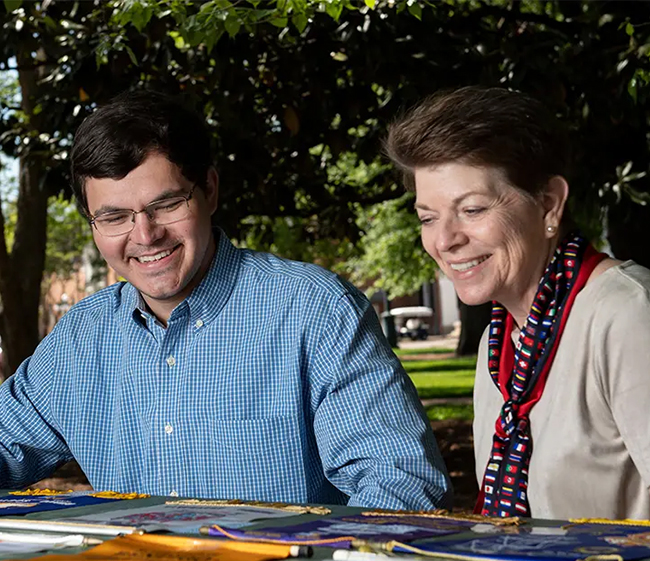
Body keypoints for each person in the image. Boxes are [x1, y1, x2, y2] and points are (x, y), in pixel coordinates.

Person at [0, 89, 451, 511]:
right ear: (94, 226)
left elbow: (402, 481)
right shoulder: (81, 339)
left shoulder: (315, 310)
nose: (145, 235)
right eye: (114, 216)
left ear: (210, 191)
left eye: (167, 204)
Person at [386, 85, 650, 520]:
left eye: (472, 209)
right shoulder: (500, 338)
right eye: (428, 218)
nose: (445, 240)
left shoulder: (626, 314)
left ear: (548, 204)